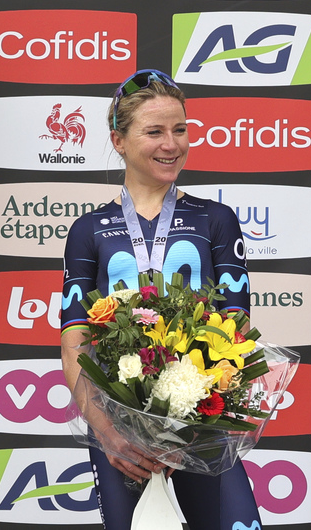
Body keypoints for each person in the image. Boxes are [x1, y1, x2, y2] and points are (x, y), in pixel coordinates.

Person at [59, 69, 260, 530]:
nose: (172, 144)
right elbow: (74, 345)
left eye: (180, 130)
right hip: (121, 433)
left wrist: (210, 407)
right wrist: (107, 432)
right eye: (154, 132)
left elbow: (238, 329)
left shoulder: (216, 219)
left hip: (203, 425)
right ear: (119, 140)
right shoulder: (88, 230)